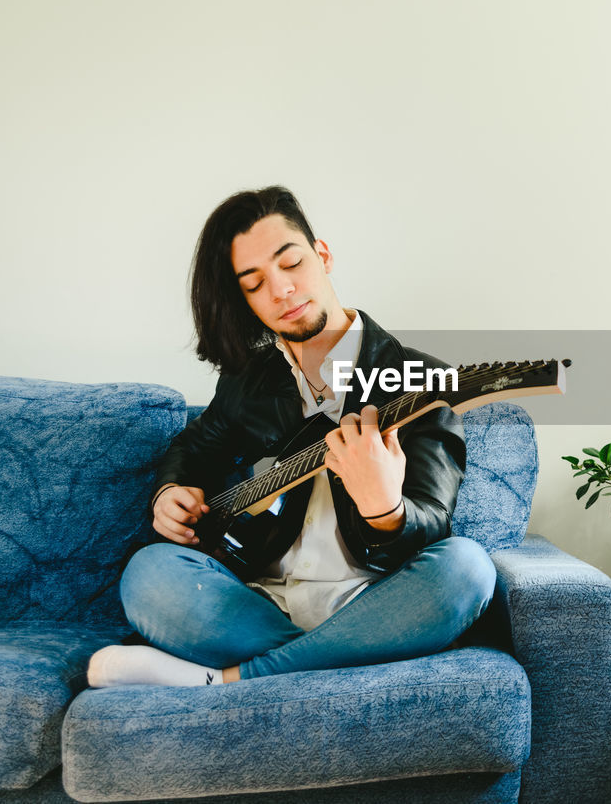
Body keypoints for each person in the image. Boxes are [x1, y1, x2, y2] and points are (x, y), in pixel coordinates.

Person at [87, 186, 495, 687]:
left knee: (467, 570)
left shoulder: (418, 379)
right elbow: (193, 448)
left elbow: (432, 522)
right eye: (254, 283)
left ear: (322, 255)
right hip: (257, 602)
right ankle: (332, 661)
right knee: (149, 572)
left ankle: (226, 682)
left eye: (291, 263)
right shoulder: (249, 380)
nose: (281, 290)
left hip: (375, 599)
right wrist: (172, 491)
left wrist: (384, 509)